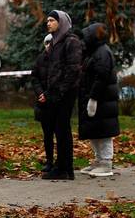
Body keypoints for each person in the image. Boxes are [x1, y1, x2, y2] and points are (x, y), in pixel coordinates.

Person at [40, 10, 82, 181]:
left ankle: (65, 168)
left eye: (52, 20)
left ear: (61, 22)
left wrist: (61, 91)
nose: (48, 23)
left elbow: (72, 69)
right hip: (56, 92)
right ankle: (61, 166)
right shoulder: (56, 42)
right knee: (59, 129)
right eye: (47, 21)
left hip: (65, 93)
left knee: (63, 130)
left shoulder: (71, 42)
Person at [77, 23, 120, 177]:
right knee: (94, 131)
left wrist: (93, 98)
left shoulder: (102, 53)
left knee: (104, 132)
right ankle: (99, 159)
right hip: (94, 98)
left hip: (102, 100)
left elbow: (101, 77)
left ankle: (106, 162)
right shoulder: (93, 52)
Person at [32, 33, 54, 173]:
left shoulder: (59, 59)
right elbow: (35, 77)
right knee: (47, 135)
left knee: (60, 132)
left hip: (56, 100)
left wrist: (48, 94)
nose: (48, 46)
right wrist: (40, 93)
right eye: (46, 43)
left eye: (50, 43)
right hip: (43, 103)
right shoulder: (40, 59)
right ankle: (49, 160)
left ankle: (61, 161)